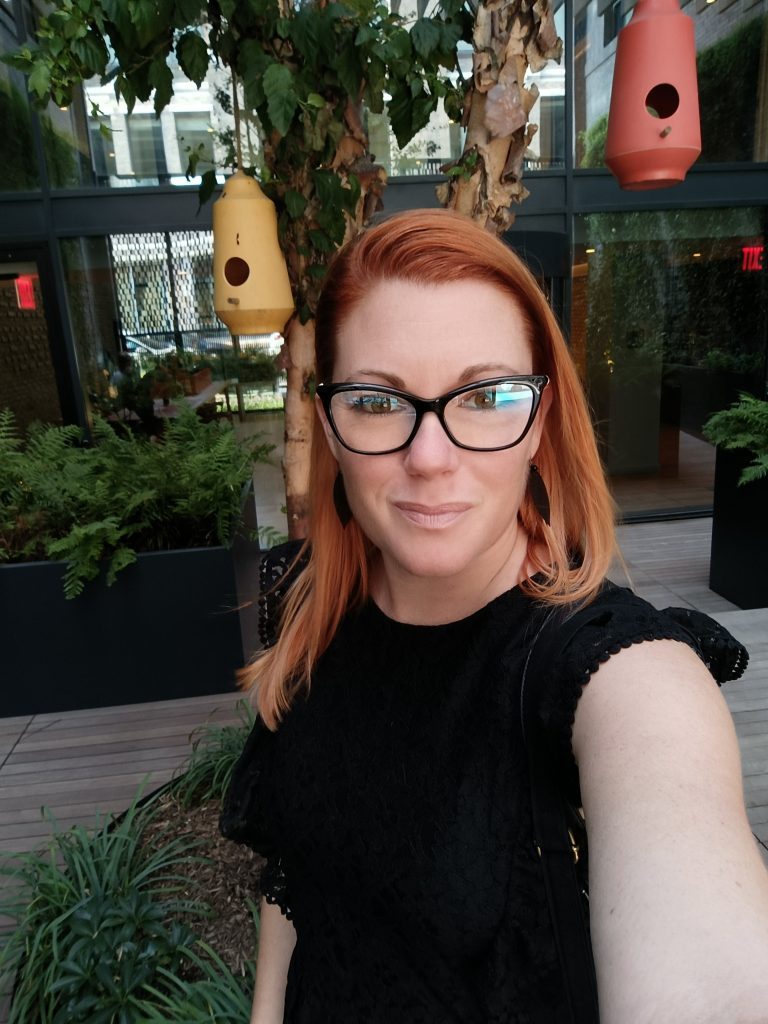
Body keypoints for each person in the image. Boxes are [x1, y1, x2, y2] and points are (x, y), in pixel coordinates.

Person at [221, 209, 768, 1024]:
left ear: (538, 421)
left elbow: (713, 969)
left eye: (486, 396)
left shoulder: (616, 676)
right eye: (376, 400)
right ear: (331, 424)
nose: (429, 457)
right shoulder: (308, 608)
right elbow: (293, 876)